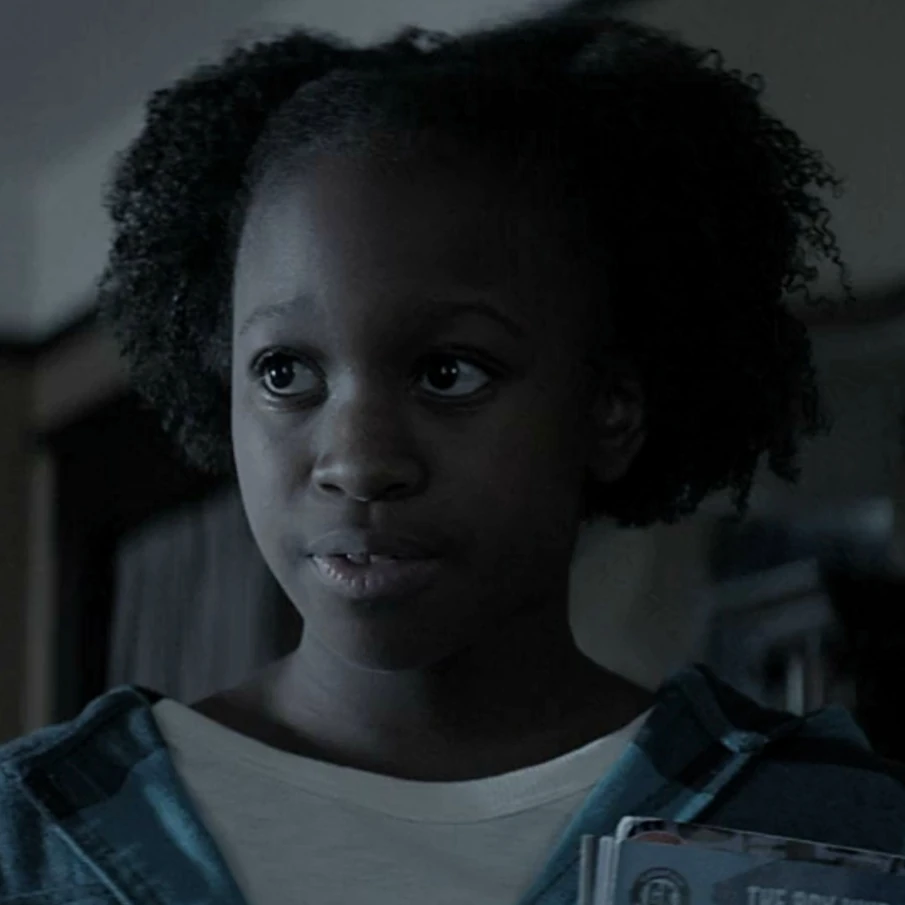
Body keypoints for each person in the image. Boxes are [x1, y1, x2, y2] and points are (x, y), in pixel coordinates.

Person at [2, 4, 904, 904]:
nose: (357, 462)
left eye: (448, 372)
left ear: (609, 409)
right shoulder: (31, 837)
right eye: (284, 372)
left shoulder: (829, 832)